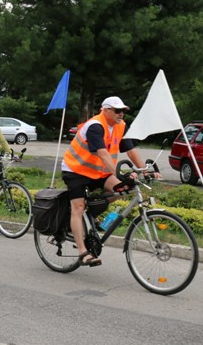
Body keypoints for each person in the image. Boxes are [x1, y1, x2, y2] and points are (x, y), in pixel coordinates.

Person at [61, 96, 161, 267]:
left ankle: (91, 213)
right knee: (77, 208)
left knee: (122, 189)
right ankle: (82, 252)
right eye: (117, 111)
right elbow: (102, 153)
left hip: (99, 172)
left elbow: (130, 150)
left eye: (123, 111)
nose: (121, 114)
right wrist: (119, 173)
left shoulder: (120, 126)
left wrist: (144, 169)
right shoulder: (95, 126)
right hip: (76, 170)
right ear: (105, 110)